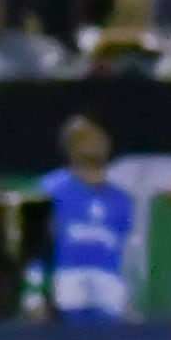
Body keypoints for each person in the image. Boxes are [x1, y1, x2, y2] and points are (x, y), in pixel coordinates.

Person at [36, 114, 143, 321]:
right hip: (65, 295)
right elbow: (37, 246)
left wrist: (129, 300)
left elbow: (129, 251)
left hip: (110, 297)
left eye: (95, 136)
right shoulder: (50, 190)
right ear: (70, 146)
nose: (91, 142)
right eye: (82, 137)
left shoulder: (123, 200)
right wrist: (35, 298)